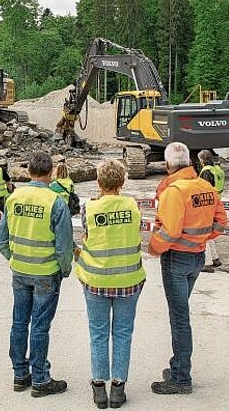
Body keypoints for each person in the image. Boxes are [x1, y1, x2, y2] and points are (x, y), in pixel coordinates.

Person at [147, 142, 227, 394]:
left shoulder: (175, 191)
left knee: (180, 319)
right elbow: (220, 223)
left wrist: (153, 247)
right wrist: (200, 239)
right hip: (197, 257)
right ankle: (177, 367)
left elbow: (169, 231)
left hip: (176, 259)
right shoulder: (206, 187)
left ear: (168, 165)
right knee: (181, 315)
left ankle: (181, 377)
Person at [0, 150, 73, 398]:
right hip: (46, 273)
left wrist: (15, 258)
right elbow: (64, 246)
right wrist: (64, 269)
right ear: (50, 174)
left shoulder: (14, 198)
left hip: (20, 272)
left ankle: (20, 374)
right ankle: (40, 378)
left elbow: (2, 240)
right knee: (40, 326)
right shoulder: (56, 202)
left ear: (28, 171)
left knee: (19, 322)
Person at [76, 159, 145, 409]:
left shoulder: (89, 208)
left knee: (98, 333)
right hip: (129, 280)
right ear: (123, 182)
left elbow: (87, 235)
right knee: (123, 333)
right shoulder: (132, 205)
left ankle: (98, 389)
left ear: (98, 182)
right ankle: (118, 389)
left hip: (96, 281)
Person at [198, 149, 225, 273]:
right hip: (216, 203)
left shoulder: (206, 172)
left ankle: (207, 263)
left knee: (203, 233)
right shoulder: (217, 169)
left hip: (207, 205)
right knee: (209, 232)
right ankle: (215, 258)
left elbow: (203, 190)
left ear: (202, 160)